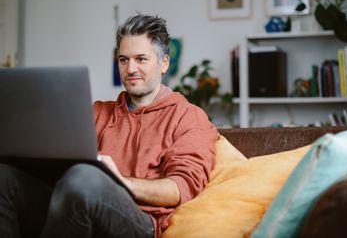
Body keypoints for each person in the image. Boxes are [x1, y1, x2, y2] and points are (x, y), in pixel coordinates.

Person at [0, 14, 218, 238]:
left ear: (164, 63)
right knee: (4, 178)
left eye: (141, 59)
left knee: (84, 179)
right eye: (123, 60)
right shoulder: (96, 111)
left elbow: (179, 187)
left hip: (140, 221)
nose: (130, 68)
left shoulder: (188, 116)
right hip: (74, 202)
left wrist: (120, 183)